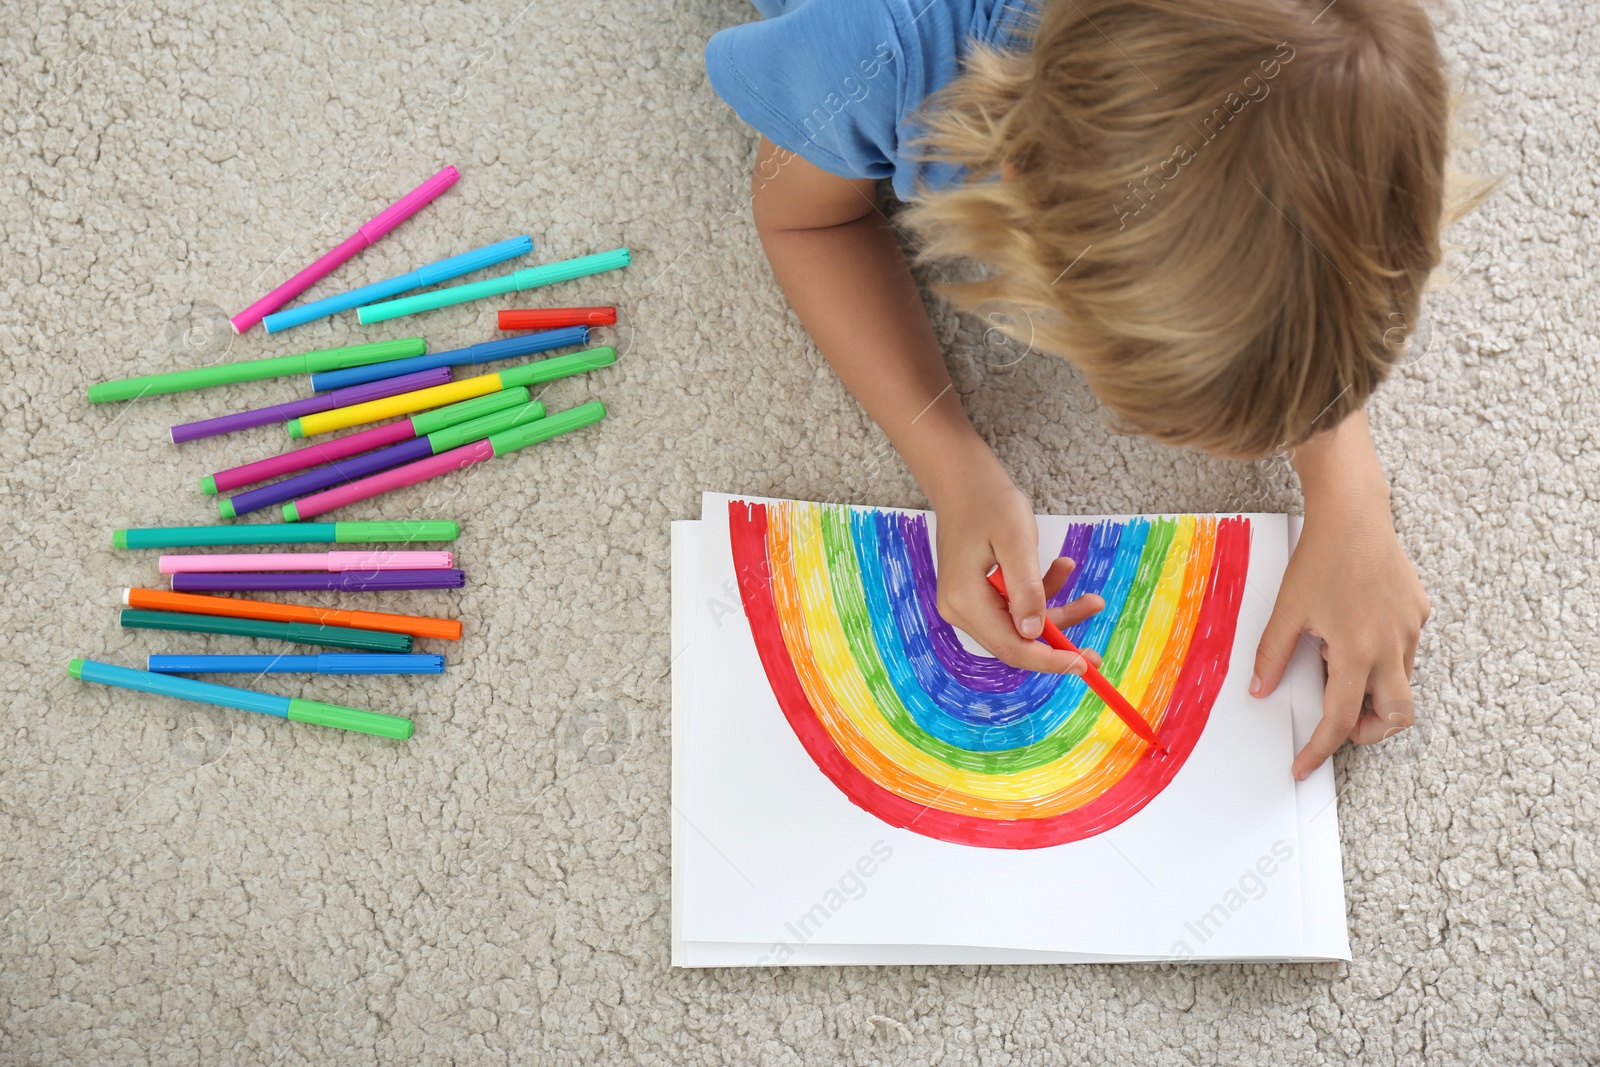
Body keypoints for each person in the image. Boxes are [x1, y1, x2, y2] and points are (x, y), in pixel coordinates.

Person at [706, 0, 1476, 778]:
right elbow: (805, 222)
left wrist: (1351, 493)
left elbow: (1300, 211)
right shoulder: (877, 49)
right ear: (1021, 188)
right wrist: (950, 461)